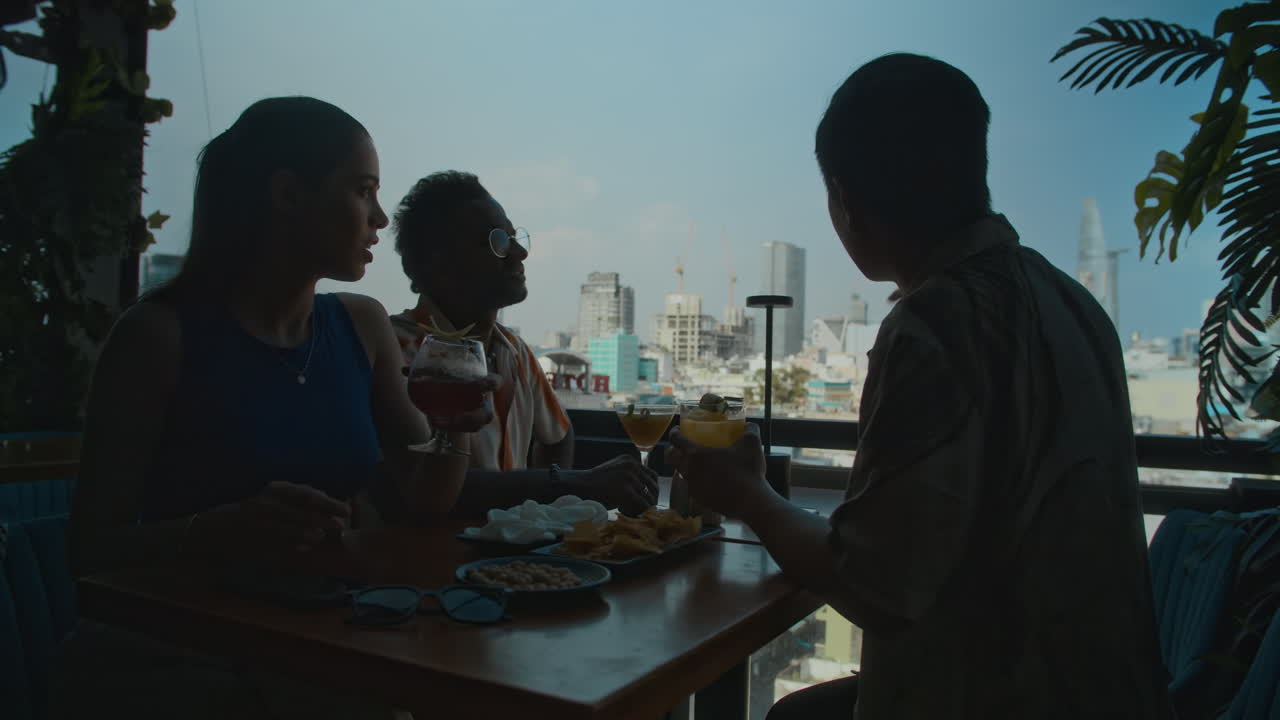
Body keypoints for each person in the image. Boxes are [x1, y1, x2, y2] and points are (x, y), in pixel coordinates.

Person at [667, 54, 1174, 720]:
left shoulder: (936, 323)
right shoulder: (1073, 303)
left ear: (846, 199)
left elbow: (874, 583)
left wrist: (746, 495)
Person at [55, 97, 491, 720]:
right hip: (178, 654)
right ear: (287, 194)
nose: (378, 217)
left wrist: (452, 433)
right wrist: (216, 531)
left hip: (314, 638)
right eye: (363, 190)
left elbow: (425, 497)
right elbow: (90, 551)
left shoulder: (361, 325)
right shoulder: (157, 337)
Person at [391, 171, 658, 515]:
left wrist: (540, 521)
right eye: (497, 240)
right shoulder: (397, 351)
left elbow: (559, 436)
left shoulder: (513, 349)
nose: (519, 252)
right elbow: (413, 485)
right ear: (438, 262)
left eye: (514, 237)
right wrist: (568, 484)